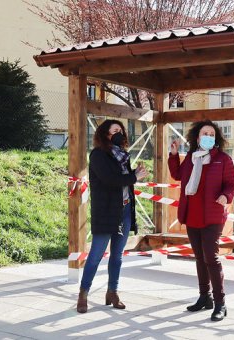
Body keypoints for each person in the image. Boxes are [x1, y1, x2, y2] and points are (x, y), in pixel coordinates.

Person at [168, 120, 234, 322]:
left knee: (211, 258)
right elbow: (177, 175)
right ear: (197, 138)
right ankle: (204, 297)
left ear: (215, 138)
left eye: (211, 134)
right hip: (192, 214)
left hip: (213, 216)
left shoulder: (223, 159)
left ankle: (220, 303)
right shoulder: (190, 157)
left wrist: (226, 196)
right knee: (199, 258)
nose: (208, 136)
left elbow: (232, 184)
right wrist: (174, 155)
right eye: (204, 133)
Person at [77, 120, 148, 313]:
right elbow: (110, 180)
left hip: (124, 210)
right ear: (105, 134)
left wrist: (135, 173)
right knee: (96, 254)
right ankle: (83, 294)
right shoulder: (99, 155)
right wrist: (134, 177)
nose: (120, 133)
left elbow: (122, 181)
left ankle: (112, 292)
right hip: (106, 212)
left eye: (121, 130)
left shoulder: (122, 156)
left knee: (117, 255)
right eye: (115, 130)